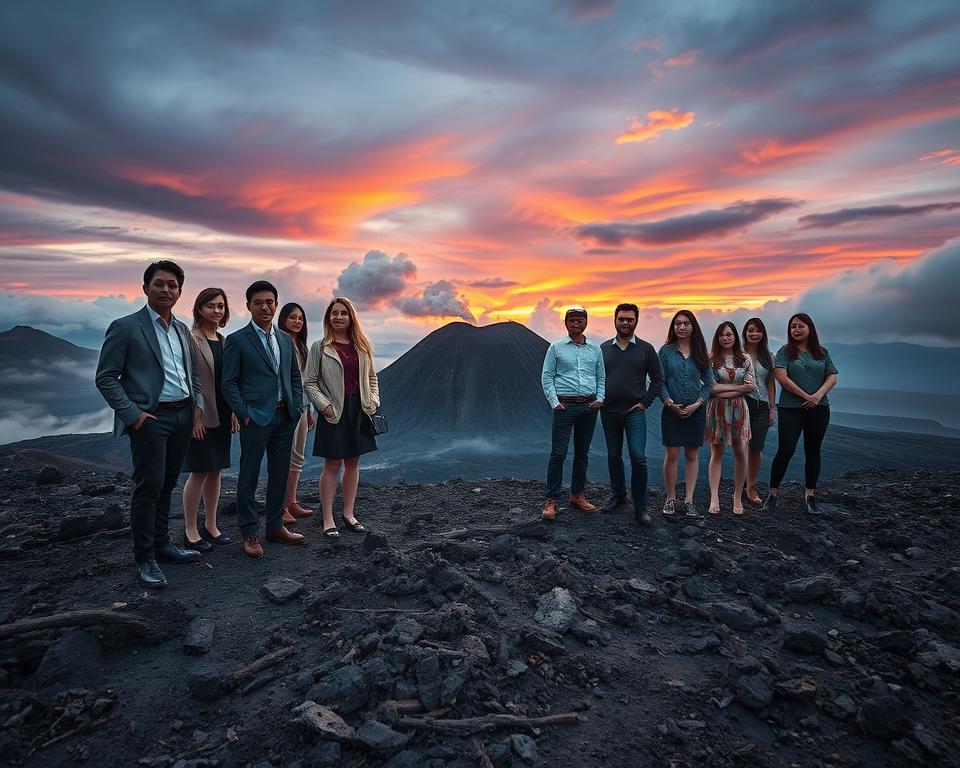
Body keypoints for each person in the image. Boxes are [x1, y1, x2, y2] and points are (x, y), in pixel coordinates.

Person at [95, 260, 203, 587]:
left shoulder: (183, 329)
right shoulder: (127, 326)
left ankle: (163, 544)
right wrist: (135, 416)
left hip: (183, 415)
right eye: (160, 284)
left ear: (180, 291)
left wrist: (196, 405)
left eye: (173, 285)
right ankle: (145, 558)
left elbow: (191, 374)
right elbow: (105, 378)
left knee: (168, 483)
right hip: (151, 419)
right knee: (148, 487)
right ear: (145, 288)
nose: (167, 290)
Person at [222, 280, 306, 558]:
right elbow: (229, 383)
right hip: (255, 419)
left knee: (280, 473)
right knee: (249, 475)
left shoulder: (283, 339)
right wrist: (244, 413)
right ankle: (249, 533)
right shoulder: (237, 340)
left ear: (276, 304)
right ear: (248, 306)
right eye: (258, 302)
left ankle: (274, 526)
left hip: (285, 417)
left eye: (269, 302)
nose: (265, 306)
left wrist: (296, 407)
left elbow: (294, 376)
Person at [303, 297, 380, 537]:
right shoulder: (320, 347)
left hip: (359, 410)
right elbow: (309, 381)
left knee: (353, 463)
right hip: (334, 411)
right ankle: (328, 518)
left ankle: (348, 513)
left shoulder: (363, 346)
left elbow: (372, 379)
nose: (338, 317)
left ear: (350, 317)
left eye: (343, 313)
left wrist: (373, 401)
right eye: (334, 313)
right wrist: (323, 406)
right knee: (332, 464)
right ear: (328, 318)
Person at [180, 288, 239, 551]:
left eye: (221, 307)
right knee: (199, 471)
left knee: (216, 470)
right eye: (211, 306)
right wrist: (194, 418)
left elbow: (229, 382)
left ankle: (211, 526)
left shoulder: (224, 341)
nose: (217, 311)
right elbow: (188, 381)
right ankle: (190, 530)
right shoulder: (191, 340)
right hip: (201, 416)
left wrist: (235, 412)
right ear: (199, 309)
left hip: (223, 415)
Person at [764, 313, 838, 515]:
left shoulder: (822, 352)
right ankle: (772, 494)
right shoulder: (785, 352)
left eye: (800, 326)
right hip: (790, 408)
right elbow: (782, 378)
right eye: (793, 326)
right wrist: (806, 395)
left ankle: (810, 496)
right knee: (785, 450)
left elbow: (832, 376)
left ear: (810, 328)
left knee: (813, 451)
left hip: (820, 408)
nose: (796, 330)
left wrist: (817, 396)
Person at [599, 303, 664, 525]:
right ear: (614, 320)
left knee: (638, 456)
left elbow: (658, 379)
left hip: (634, 412)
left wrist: (645, 402)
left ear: (636, 321)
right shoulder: (603, 349)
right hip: (608, 411)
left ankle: (641, 506)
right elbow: (596, 378)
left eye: (630, 319)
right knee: (614, 455)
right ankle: (618, 495)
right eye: (621, 319)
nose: (625, 323)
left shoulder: (646, 349)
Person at [540, 306, 605, 521]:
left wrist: (600, 399)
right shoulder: (556, 348)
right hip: (564, 407)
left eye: (579, 320)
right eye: (571, 321)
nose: (575, 324)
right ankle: (551, 499)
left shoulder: (595, 350)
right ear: (565, 323)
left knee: (582, 453)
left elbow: (601, 376)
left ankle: (577, 494)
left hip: (588, 407)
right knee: (558, 453)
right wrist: (554, 402)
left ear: (586, 322)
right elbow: (547, 376)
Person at [658, 309, 711, 518]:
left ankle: (688, 500)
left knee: (691, 454)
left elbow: (708, 384)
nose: (681, 327)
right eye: (678, 323)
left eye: (686, 323)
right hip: (671, 410)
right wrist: (669, 402)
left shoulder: (700, 353)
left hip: (695, 411)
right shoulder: (665, 351)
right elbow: (659, 381)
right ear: (673, 327)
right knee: (672, 454)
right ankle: (670, 498)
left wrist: (698, 404)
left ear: (693, 327)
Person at [704, 322, 755, 515]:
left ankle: (736, 497)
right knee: (716, 451)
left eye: (729, 334)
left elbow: (752, 386)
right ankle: (714, 497)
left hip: (739, 410)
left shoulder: (745, 359)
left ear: (735, 337)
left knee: (740, 451)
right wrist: (739, 389)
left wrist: (732, 390)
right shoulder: (711, 360)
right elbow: (712, 388)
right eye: (722, 335)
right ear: (717, 338)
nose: (726, 338)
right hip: (717, 409)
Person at [278, 302, 316, 525]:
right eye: (293, 317)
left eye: (300, 318)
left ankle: (291, 501)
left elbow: (306, 381)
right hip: (286, 409)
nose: (297, 321)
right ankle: (280, 506)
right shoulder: (280, 343)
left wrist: (310, 410)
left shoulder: (302, 346)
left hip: (302, 408)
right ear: (283, 319)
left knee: (297, 458)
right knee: (284, 457)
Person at [741, 317, 776, 504]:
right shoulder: (737, 355)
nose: (753, 334)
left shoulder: (769, 356)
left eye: (757, 330)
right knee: (742, 447)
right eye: (750, 330)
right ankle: (740, 486)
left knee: (756, 448)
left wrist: (772, 408)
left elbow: (770, 383)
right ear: (745, 333)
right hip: (742, 403)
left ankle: (751, 487)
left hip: (761, 406)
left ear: (763, 334)